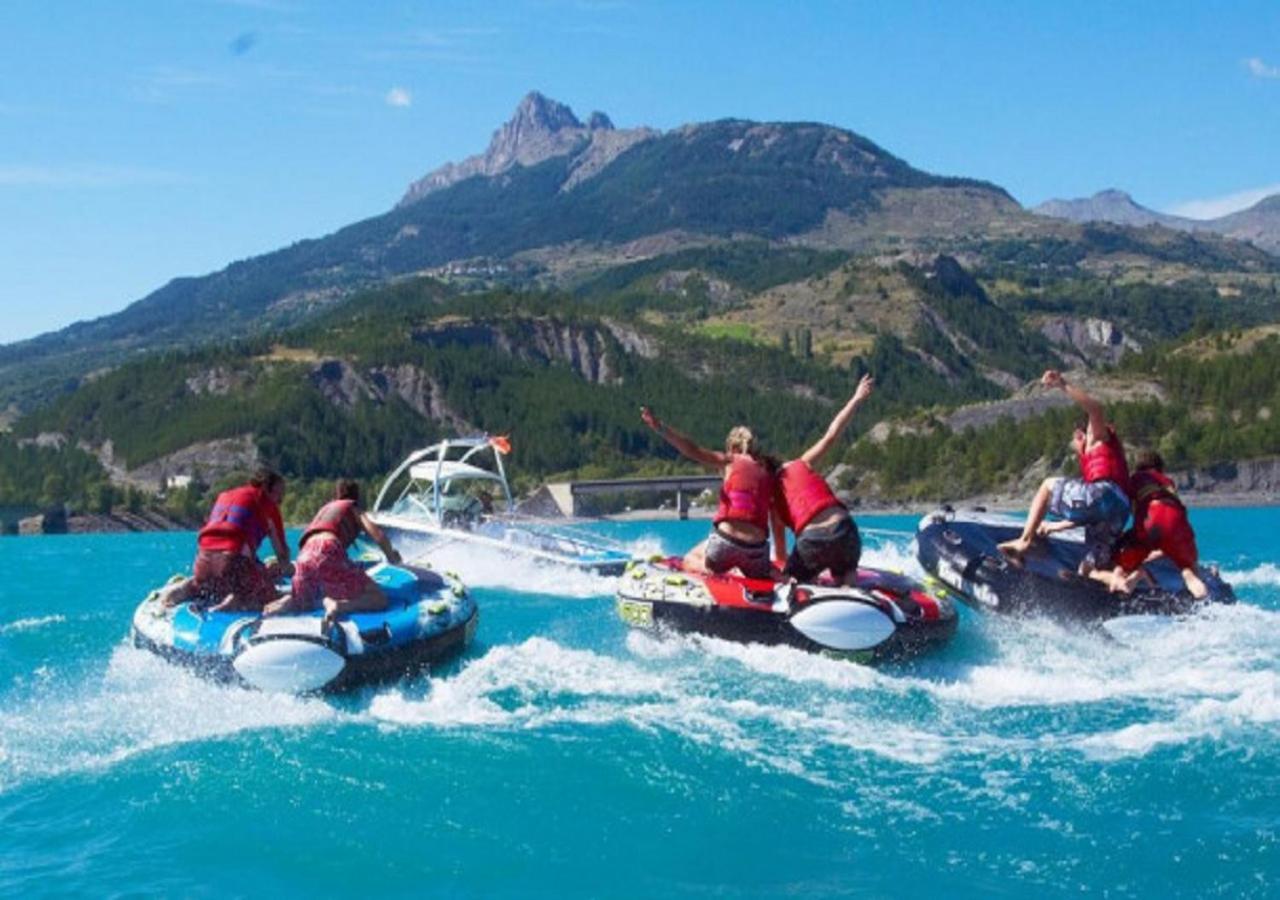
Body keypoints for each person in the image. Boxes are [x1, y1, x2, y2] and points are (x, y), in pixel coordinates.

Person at [998, 370, 1131, 573]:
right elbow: (1089, 513)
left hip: (1106, 493)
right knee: (1089, 566)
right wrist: (1054, 527)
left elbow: (1095, 409)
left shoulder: (1095, 437)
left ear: (1079, 434)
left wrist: (1062, 384)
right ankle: (1099, 590)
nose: (1076, 448)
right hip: (1119, 512)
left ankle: (1024, 542)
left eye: (1074, 441)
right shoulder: (1104, 465)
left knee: (1048, 486)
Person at [640, 408, 776, 579]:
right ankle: (770, 574)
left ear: (733, 447)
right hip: (756, 550)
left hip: (727, 543)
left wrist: (659, 427)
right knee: (762, 566)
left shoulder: (729, 460)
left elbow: (692, 450)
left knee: (690, 559)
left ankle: (726, 572)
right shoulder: (769, 469)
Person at [770, 374, 874, 587]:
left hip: (814, 540)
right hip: (845, 530)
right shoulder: (801, 463)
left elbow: (780, 554)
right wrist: (856, 398)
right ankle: (851, 589)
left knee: (794, 581)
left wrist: (788, 569)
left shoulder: (773, 499)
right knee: (847, 571)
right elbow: (831, 436)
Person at [264, 479, 403, 629]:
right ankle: (339, 605)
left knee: (305, 602)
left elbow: (314, 555)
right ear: (355, 497)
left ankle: (288, 602)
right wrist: (392, 557)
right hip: (328, 549)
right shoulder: (353, 507)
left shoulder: (325, 509)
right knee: (379, 598)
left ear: (335, 495)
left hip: (304, 554)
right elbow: (379, 536)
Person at [158, 467, 292, 612]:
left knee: (208, 583)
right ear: (266, 487)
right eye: (279, 494)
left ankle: (186, 589)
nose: (280, 500)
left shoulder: (225, 495)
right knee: (268, 596)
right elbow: (283, 555)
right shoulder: (269, 506)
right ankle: (233, 602)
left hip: (203, 563)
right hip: (232, 562)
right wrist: (285, 570)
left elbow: (223, 537)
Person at [1090, 450, 1208, 599]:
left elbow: (1127, 510)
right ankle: (1193, 584)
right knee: (1188, 567)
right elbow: (1173, 517)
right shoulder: (1168, 482)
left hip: (1151, 521)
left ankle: (1126, 581)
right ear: (1160, 468)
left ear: (1139, 467)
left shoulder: (1135, 479)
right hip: (1178, 523)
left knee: (1120, 560)